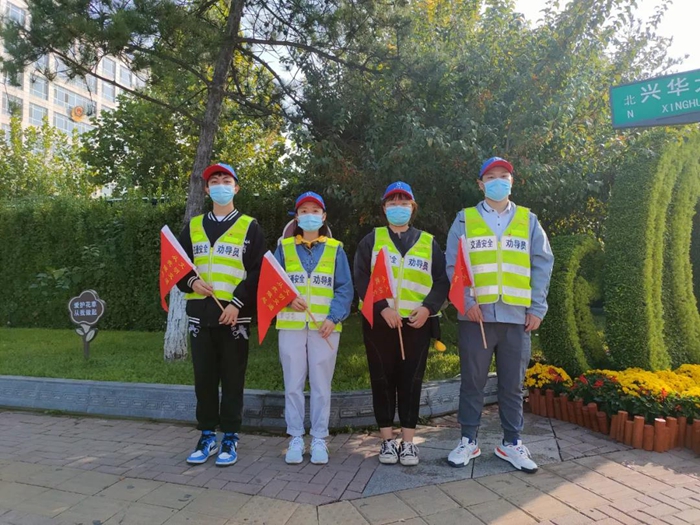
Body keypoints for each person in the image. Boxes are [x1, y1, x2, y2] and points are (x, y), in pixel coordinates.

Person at [445, 157, 553, 473]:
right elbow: (453, 264)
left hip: (517, 318)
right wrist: (465, 302)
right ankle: (468, 440)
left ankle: (512, 443)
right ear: (480, 184)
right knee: (472, 381)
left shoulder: (528, 220)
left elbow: (542, 263)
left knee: (512, 385)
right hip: (476, 316)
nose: (497, 181)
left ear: (511, 181)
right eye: (490, 177)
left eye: (503, 176)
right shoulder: (464, 219)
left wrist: (537, 308)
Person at [176, 163, 265, 467]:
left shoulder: (250, 226)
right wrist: (192, 282)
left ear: (236, 188)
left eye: (226, 180)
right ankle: (206, 435)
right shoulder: (194, 226)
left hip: (234, 317)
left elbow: (258, 271)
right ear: (206, 189)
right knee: (204, 379)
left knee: (232, 378)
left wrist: (237, 303)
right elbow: (178, 266)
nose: (220, 185)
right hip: (200, 316)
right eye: (214, 181)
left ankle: (230, 436)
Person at [354, 182, 449, 466]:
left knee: (411, 382)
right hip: (380, 324)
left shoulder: (428, 242)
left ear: (413, 208)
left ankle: (408, 443)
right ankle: (387, 441)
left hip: (416, 325)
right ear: (384, 209)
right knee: (382, 381)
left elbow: (441, 280)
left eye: (404, 203)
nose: (398, 208)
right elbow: (361, 277)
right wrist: (381, 308)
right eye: (392, 203)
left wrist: (428, 308)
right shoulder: (372, 240)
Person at [274, 191, 353, 465]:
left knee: (321, 385)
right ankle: (295, 437)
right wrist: (288, 299)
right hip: (291, 325)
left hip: (325, 327)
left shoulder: (336, 248)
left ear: (323, 216)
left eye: (315, 211)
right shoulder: (283, 248)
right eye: (304, 211)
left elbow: (344, 287)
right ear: (297, 217)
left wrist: (334, 317)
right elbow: (272, 283)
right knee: (293, 384)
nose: (310, 215)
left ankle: (319, 438)